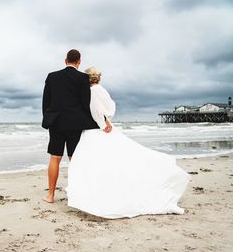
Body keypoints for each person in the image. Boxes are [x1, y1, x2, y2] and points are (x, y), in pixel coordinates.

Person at [67, 67, 190, 218]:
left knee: (95, 163)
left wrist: (102, 123)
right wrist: (107, 119)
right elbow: (111, 107)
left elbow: (96, 110)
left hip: (97, 130)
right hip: (104, 127)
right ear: (98, 78)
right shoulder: (102, 89)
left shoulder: (92, 91)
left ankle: (99, 197)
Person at [41, 49, 112, 203]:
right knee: (75, 159)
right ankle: (77, 195)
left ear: (65, 60)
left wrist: (48, 118)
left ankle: (50, 196)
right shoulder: (83, 78)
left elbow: (46, 101)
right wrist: (103, 120)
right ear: (79, 62)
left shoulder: (52, 77)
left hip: (56, 123)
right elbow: (87, 104)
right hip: (75, 124)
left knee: (55, 157)